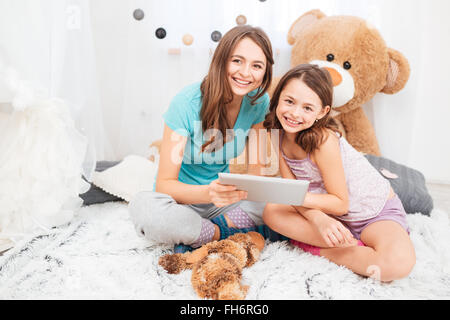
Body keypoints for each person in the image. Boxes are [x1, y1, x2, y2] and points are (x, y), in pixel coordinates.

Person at [259, 64, 415, 281]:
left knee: (396, 266)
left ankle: (324, 248)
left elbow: (341, 202)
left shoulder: (324, 140)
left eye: (307, 108)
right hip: (329, 214)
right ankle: (343, 241)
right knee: (271, 211)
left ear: (322, 112)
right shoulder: (277, 134)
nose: (294, 113)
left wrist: (300, 202)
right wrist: (319, 220)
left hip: (372, 213)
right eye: (289, 102)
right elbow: (290, 191)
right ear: (278, 98)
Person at [128, 25, 275, 252]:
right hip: (182, 202)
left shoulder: (258, 102)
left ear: (265, 72)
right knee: (144, 208)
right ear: (221, 60)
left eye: (257, 66)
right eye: (237, 61)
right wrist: (209, 193)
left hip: (224, 203)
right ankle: (221, 233)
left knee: (273, 204)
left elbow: (256, 170)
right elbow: (165, 184)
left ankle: (199, 235)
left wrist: (250, 191)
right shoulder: (186, 103)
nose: (246, 73)